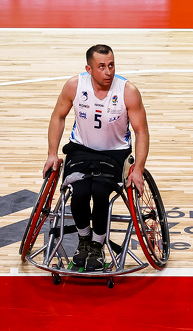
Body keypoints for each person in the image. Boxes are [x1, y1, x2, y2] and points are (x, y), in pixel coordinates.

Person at [43, 44, 149, 271]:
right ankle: (84, 239)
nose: (108, 71)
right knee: (79, 191)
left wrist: (139, 169)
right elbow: (58, 116)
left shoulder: (128, 91)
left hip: (115, 153)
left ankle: (97, 244)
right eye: (101, 66)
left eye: (111, 65)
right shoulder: (74, 86)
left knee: (100, 192)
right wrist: (52, 153)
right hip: (81, 149)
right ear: (89, 69)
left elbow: (142, 132)